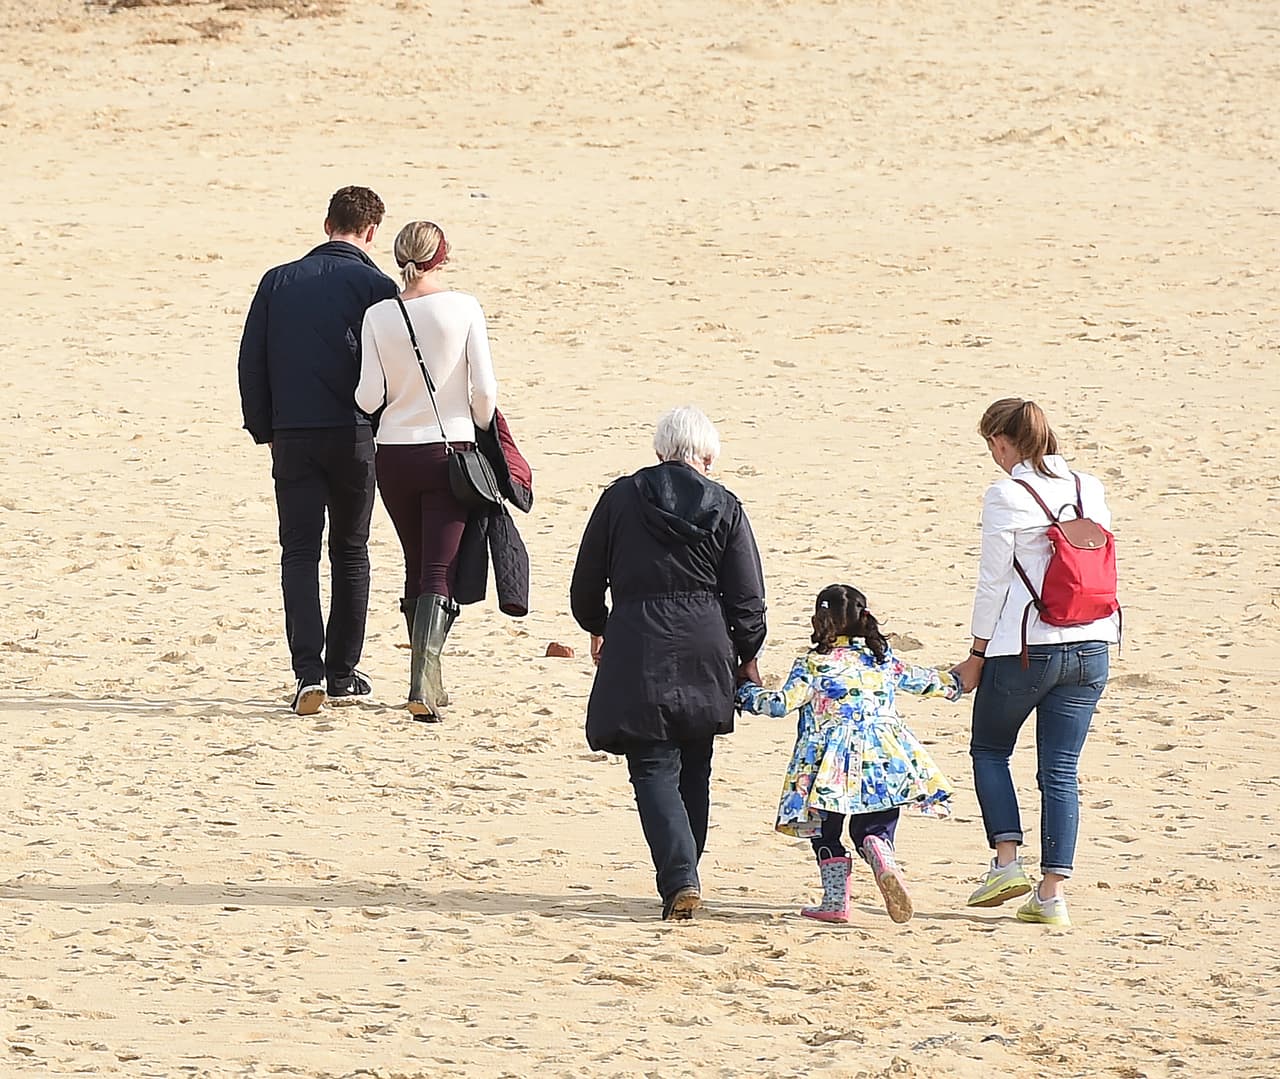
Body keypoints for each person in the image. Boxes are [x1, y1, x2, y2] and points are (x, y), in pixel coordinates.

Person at [570, 406, 766, 921]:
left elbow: (586, 582)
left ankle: (680, 877)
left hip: (637, 638)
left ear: (660, 451)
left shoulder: (619, 498)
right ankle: (684, 874)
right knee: (696, 763)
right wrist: (747, 654)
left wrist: (598, 625)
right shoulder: (726, 505)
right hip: (706, 643)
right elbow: (748, 597)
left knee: (652, 764)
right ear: (707, 457)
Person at [951, 398, 1119, 927]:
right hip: (1094, 642)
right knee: (1061, 770)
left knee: (990, 749)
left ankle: (1006, 863)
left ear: (1002, 442)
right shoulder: (1088, 487)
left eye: (991, 446)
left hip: (1026, 647)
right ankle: (1050, 895)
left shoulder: (1006, 494)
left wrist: (976, 653)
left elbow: (993, 581)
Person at [238, 186, 398, 716]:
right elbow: (390, 363)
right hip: (355, 433)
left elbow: (251, 361)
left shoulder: (277, 280)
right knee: (351, 551)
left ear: (327, 223)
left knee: (299, 552)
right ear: (371, 231)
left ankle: (308, 672)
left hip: (293, 434)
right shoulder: (377, 285)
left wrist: (265, 429)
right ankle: (342, 673)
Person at [736, 584, 962, 925]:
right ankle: (879, 850)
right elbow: (925, 681)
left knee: (825, 832)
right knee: (875, 824)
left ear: (819, 620)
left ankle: (835, 901)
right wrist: (956, 682)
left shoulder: (813, 664)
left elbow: (780, 704)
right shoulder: (883, 661)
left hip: (825, 765)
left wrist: (745, 692)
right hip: (882, 758)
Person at [355, 221, 498, 720]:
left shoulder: (378, 314)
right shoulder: (464, 307)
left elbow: (367, 396)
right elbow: (485, 392)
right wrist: (480, 426)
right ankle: (423, 680)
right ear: (443, 256)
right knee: (439, 567)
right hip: (448, 448)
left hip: (393, 453)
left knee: (415, 562)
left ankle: (428, 680)